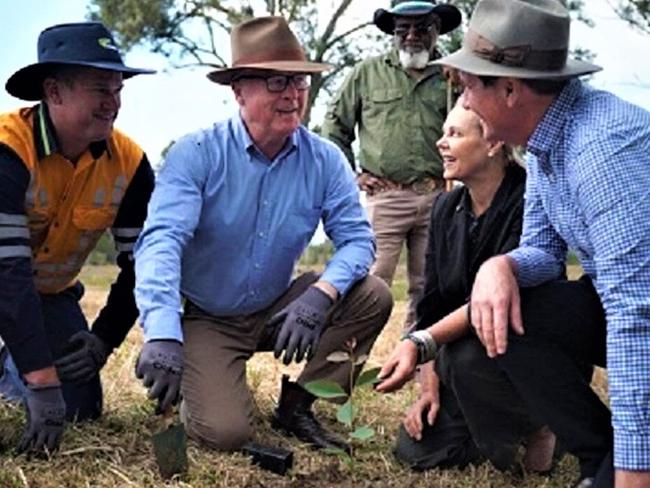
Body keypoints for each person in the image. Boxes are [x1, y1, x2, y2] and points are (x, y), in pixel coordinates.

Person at [133, 16, 393, 453]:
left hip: (281, 308)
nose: (293, 94)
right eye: (276, 82)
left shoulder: (325, 159)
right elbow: (162, 241)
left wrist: (320, 295)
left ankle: (298, 406)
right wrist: (161, 332)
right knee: (227, 434)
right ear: (239, 90)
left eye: (300, 82)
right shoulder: (196, 154)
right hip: (210, 317)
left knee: (374, 295)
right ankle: (199, 388)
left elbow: (358, 241)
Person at [429, 0, 650, 486]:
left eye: (468, 86)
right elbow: (543, 252)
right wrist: (500, 267)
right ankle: (600, 460)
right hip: (629, 305)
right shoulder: (546, 144)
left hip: (643, 312)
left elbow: (637, 317)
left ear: (509, 89)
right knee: (514, 304)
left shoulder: (599, 152)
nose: (463, 102)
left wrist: (638, 471)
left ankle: (626, 463)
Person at [376, 102, 557, 473]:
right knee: (417, 450)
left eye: (455, 134)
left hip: (524, 352)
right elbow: (432, 304)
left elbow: (497, 303)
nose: (441, 143)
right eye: (443, 133)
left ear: (492, 143)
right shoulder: (445, 207)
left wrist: (421, 345)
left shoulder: (528, 199)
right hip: (463, 361)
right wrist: (428, 388)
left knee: (464, 357)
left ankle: (543, 423)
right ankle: (491, 430)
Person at [0, 22, 155, 453]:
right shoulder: (6, 149)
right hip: (5, 282)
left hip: (51, 296)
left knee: (79, 410)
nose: (114, 103)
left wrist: (104, 339)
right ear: (53, 92)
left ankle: (11, 362)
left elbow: (140, 266)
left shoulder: (131, 163)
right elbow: (6, 273)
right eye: (100, 89)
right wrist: (41, 379)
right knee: (24, 408)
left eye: (118, 88)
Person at [321, 0, 461, 330]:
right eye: (403, 28)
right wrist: (353, 175)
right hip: (385, 196)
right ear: (393, 33)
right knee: (367, 281)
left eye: (422, 27)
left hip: (440, 196)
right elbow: (333, 126)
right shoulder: (366, 73)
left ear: (436, 30)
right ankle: (344, 364)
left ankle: (416, 362)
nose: (412, 35)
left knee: (428, 285)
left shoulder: (453, 75)